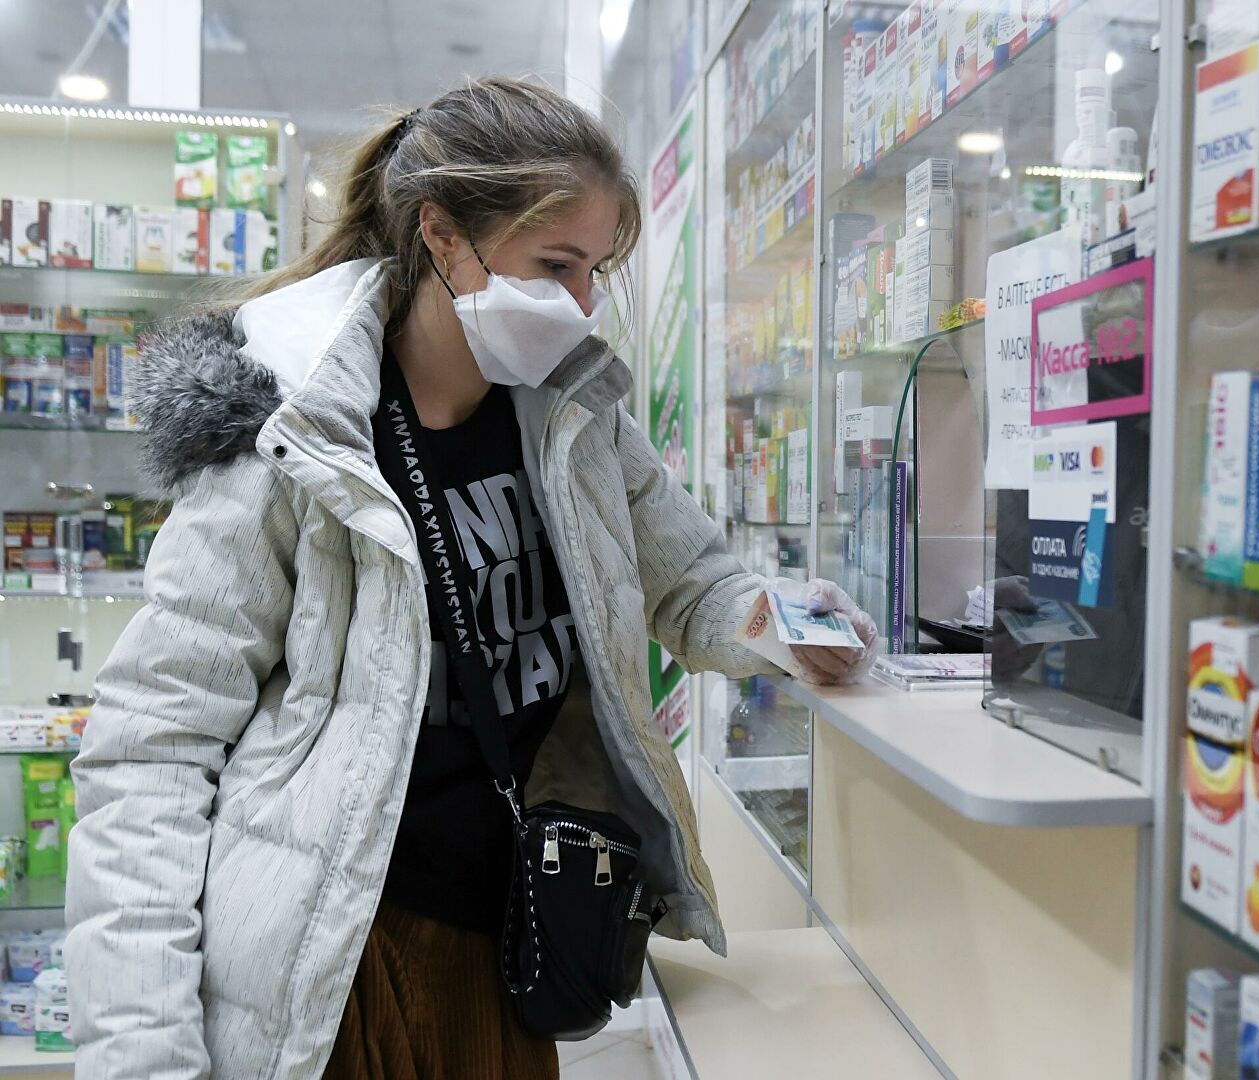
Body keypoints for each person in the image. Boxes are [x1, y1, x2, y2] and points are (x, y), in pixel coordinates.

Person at [64, 77, 878, 1080]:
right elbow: (153, 744)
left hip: (514, 940)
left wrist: (776, 623)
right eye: (554, 266)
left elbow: (691, 582)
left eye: (595, 271)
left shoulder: (571, 415)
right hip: (338, 960)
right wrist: (142, 1051)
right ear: (442, 235)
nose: (580, 305)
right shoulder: (296, 437)